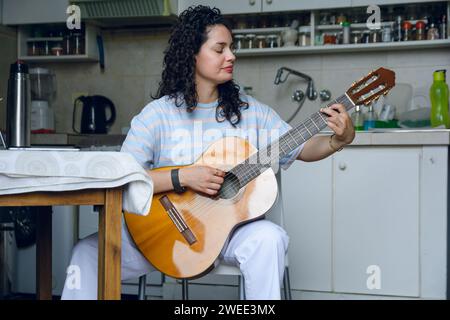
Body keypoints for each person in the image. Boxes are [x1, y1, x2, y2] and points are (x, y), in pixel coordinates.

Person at [61, 5, 355, 300]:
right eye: (220, 49)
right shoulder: (157, 115)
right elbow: (122, 180)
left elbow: (302, 148)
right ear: (193, 54)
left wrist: (337, 140)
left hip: (230, 235)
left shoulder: (251, 113)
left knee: (270, 238)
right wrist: (182, 177)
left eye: (232, 48)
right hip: (164, 236)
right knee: (86, 253)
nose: (232, 56)